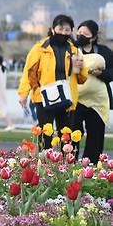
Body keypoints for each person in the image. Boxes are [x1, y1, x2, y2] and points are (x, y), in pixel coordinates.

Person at [18, 15, 88, 150]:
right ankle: (44, 165)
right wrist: (23, 94)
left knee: (66, 135)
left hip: (67, 98)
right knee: (45, 133)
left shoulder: (74, 50)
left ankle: (64, 166)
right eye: (60, 28)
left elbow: (82, 79)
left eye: (67, 30)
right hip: (44, 98)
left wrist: (79, 68)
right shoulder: (40, 48)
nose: (63, 32)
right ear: (53, 29)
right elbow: (29, 72)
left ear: (71, 31)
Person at [73, 20, 112, 162]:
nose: (81, 35)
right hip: (76, 100)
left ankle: (91, 167)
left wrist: (100, 73)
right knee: (73, 134)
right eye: (79, 33)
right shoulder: (71, 50)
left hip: (97, 102)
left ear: (94, 37)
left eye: (86, 33)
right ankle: (70, 164)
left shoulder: (104, 52)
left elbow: (111, 73)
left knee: (95, 136)